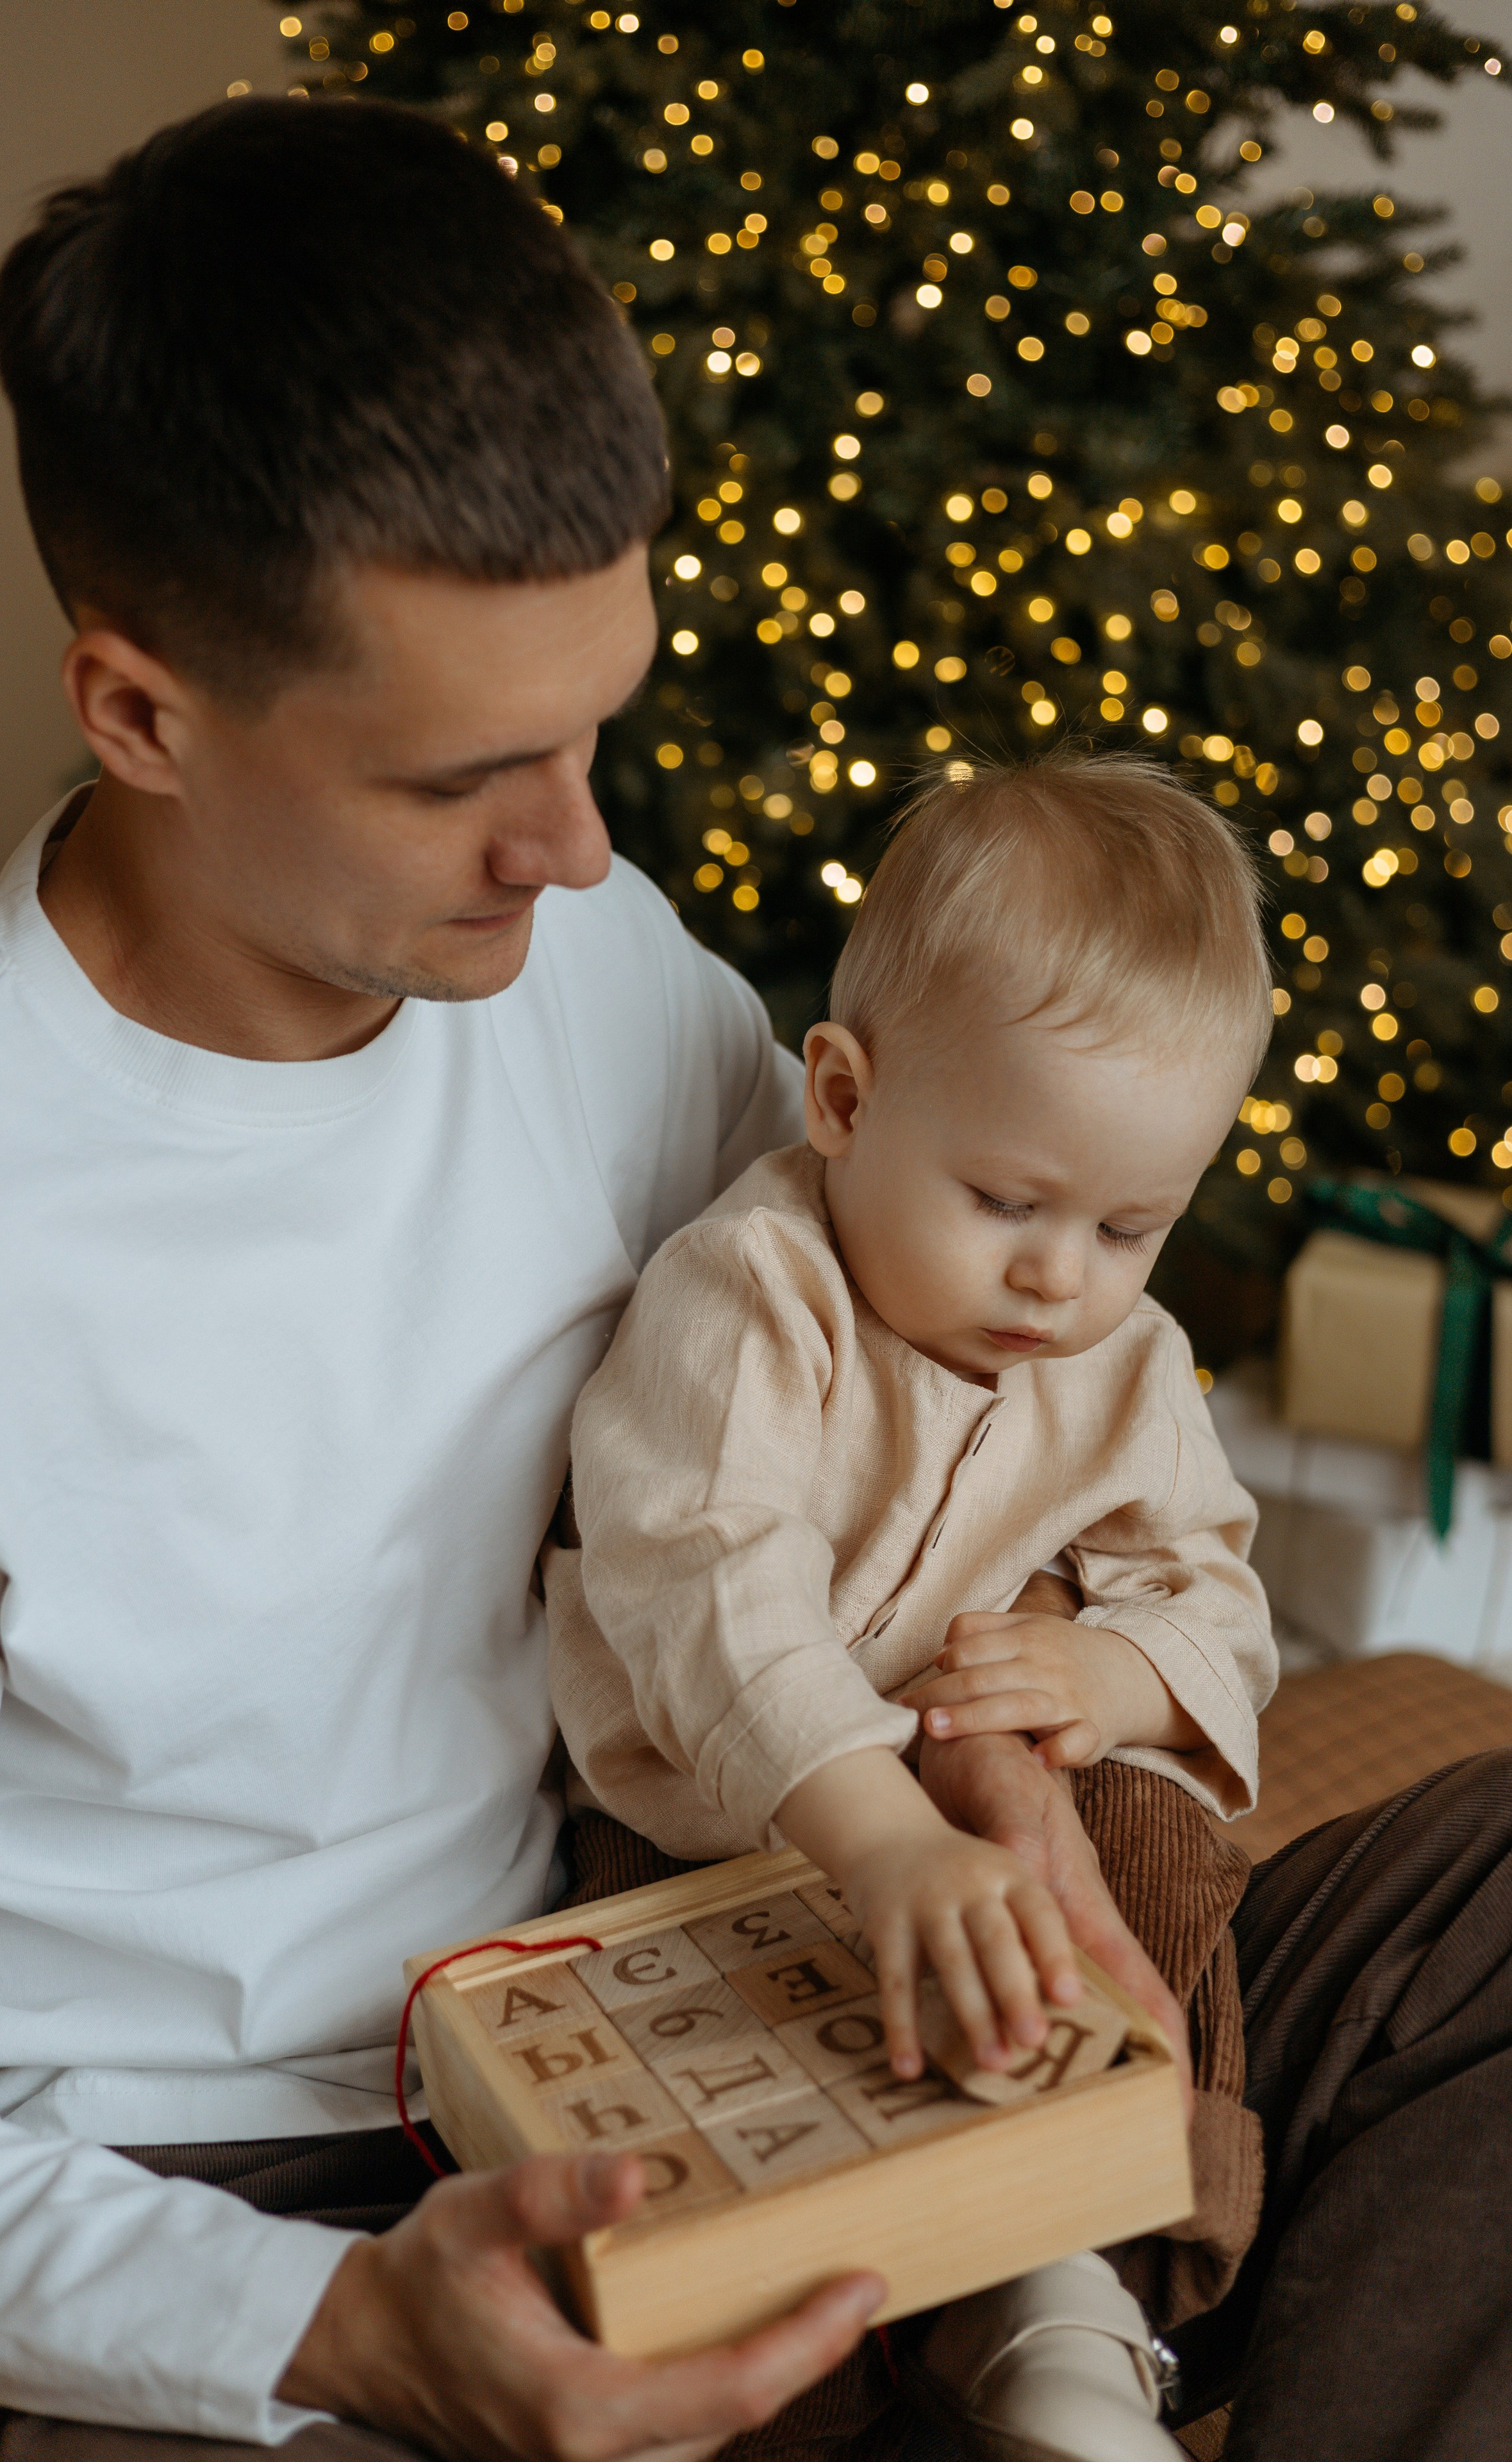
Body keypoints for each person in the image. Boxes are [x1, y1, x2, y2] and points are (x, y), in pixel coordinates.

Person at [0, 87, 1510, 2462]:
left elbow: (897, 1392)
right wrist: (339, 2334)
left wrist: (1022, 1742)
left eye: (599, 729)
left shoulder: (587, 959)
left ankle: (1086, 2352)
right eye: (465, 779)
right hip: (222, 2182)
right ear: (143, 711)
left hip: (711, 1954)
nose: (581, 845)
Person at [546, 758, 1277, 2459]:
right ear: (848, 1099)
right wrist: (881, 1837)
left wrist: (1120, 1671)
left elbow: (1218, 1596)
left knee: (1161, 1860)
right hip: (727, 1821)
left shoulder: (1129, 1360)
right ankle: (814, 2346)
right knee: (694, 2028)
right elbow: (707, 1580)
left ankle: (1087, 2281)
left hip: (982, 1801)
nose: (1058, 1276)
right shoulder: (754, 1294)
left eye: (1128, 1226)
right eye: (1008, 1203)